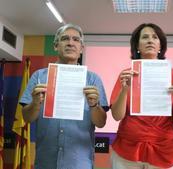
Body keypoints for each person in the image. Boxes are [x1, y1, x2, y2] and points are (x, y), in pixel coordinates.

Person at [19, 23, 109, 169]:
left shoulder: (93, 79)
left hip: (80, 162)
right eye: (65, 39)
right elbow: (27, 117)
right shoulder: (39, 76)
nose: (70, 43)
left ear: (81, 49)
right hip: (45, 161)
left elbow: (101, 123)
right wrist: (35, 103)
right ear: (55, 46)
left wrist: (94, 105)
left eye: (76, 40)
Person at [110, 23, 173, 169]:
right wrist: (124, 90)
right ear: (137, 47)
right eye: (144, 37)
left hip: (165, 152)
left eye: (155, 37)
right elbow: (116, 116)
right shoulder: (127, 74)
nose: (150, 40)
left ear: (160, 46)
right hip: (127, 151)